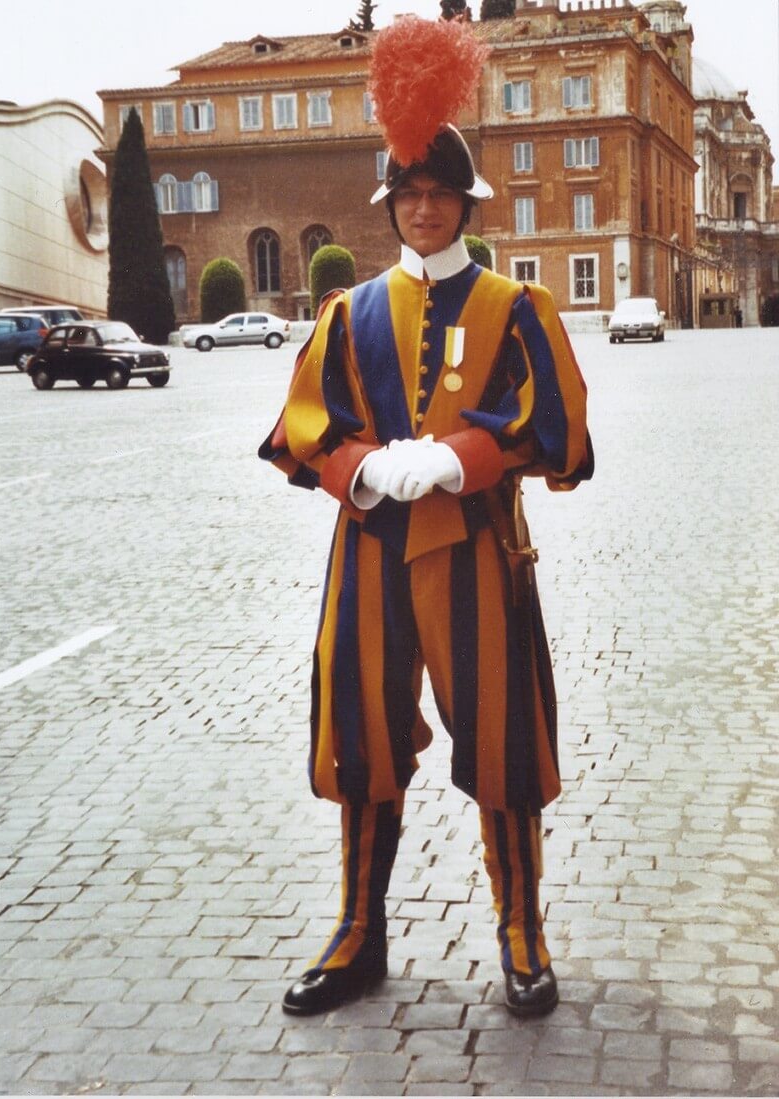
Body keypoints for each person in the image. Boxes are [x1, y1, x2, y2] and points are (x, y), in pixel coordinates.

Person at [259, 16, 593, 1019]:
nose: (422, 209)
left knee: (501, 743)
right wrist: (365, 469)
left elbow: (559, 426)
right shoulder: (345, 311)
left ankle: (520, 933)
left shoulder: (516, 306)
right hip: (367, 552)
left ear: (464, 203)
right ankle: (357, 932)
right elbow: (299, 431)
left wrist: (460, 455)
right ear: (390, 205)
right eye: (406, 194)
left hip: (480, 552)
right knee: (360, 741)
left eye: (438, 194)